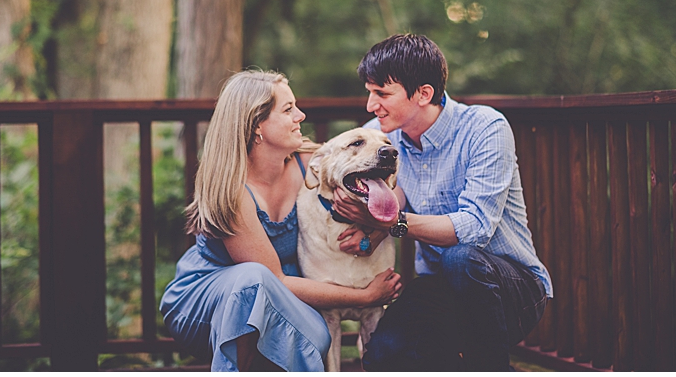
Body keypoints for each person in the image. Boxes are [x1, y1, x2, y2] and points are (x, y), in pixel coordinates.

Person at [331, 33, 550, 371]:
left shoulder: (485, 128)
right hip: (441, 286)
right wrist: (371, 229)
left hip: (512, 290)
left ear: (424, 94)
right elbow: (386, 188)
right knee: (383, 356)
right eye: (370, 93)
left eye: (382, 94)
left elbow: (473, 229)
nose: (371, 106)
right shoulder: (381, 135)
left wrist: (391, 224)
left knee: (460, 257)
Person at [160, 70, 401, 371]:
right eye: (288, 109)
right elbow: (275, 280)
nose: (300, 115)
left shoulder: (307, 162)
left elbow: (376, 180)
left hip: (281, 294)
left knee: (317, 334)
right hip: (210, 303)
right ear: (256, 125)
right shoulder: (233, 191)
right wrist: (365, 297)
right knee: (253, 280)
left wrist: (377, 227)